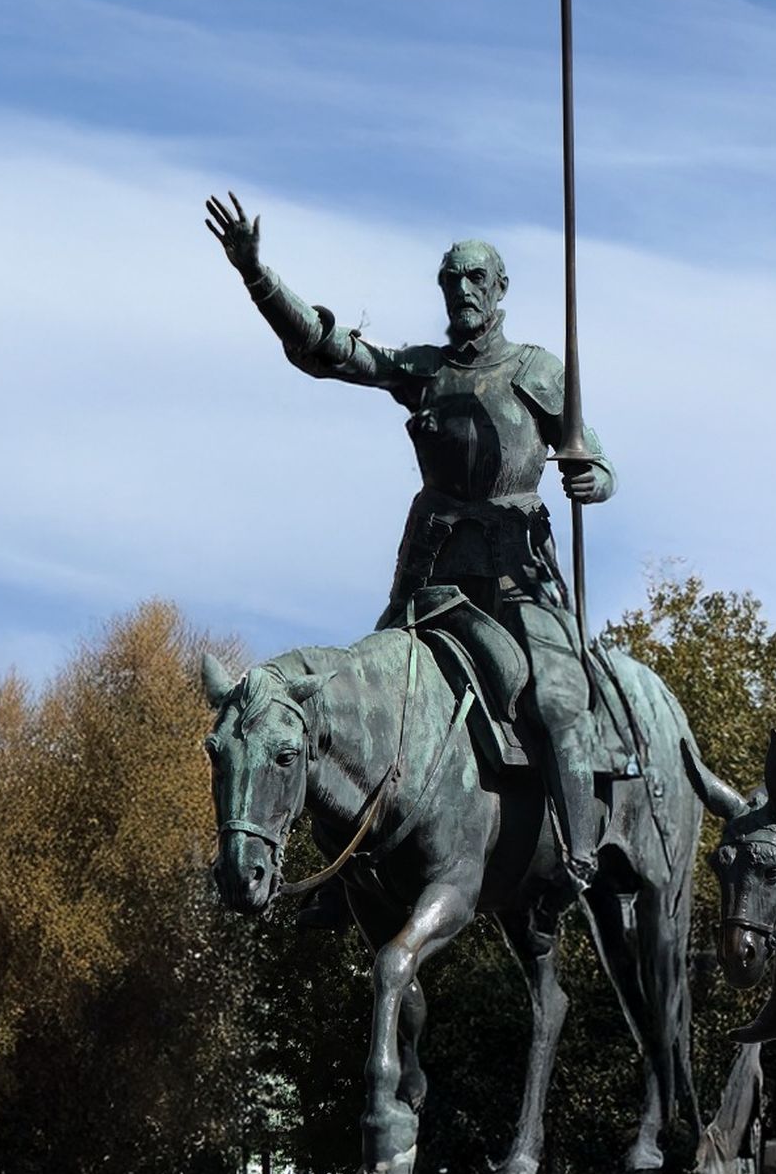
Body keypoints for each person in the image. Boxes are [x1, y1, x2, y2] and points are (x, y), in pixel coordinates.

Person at [206, 192, 614, 891]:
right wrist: (256, 274)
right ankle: (346, 877)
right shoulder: (426, 371)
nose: (461, 291)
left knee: (554, 698)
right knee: (359, 707)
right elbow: (327, 350)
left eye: (474, 279)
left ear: (501, 289)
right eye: (449, 280)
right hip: (433, 582)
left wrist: (587, 477)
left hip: (516, 580)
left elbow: (598, 464)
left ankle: (580, 852)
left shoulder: (536, 370)